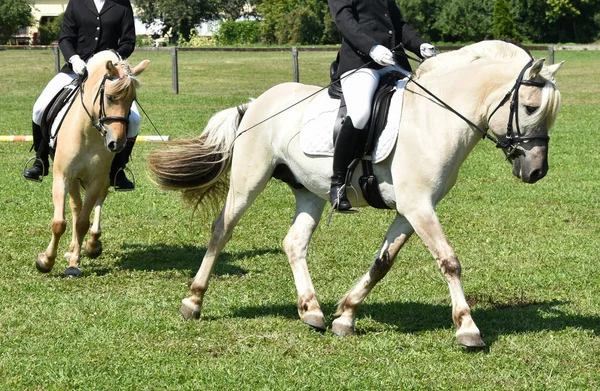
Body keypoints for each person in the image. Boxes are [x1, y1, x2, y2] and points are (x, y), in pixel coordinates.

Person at [327, 0, 437, 211]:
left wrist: (419, 45)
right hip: (361, 63)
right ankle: (338, 184)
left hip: (391, 62)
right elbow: (344, 20)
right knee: (360, 114)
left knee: (422, 99)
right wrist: (372, 48)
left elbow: (398, 24)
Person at [24, 0, 139, 191]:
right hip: (76, 69)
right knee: (39, 108)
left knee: (134, 120)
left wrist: (110, 59)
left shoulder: (122, 4)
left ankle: (118, 170)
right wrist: (74, 58)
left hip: (108, 73)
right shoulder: (76, 3)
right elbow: (66, 38)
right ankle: (40, 160)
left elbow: (128, 41)